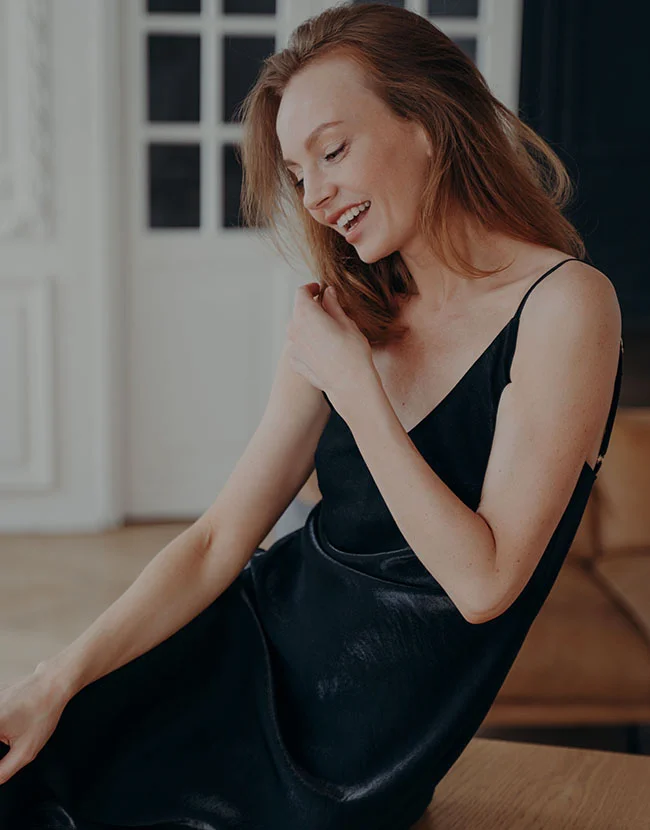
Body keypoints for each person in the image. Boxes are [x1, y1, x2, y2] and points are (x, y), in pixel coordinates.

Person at [0, 4, 623, 828]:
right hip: (243, 651)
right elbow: (219, 539)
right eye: (298, 175)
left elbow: (484, 585)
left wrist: (356, 388)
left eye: (333, 152)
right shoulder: (348, 309)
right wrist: (55, 678)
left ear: (430, 122)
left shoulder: (564, 306)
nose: (316, 197)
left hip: (351, 761)